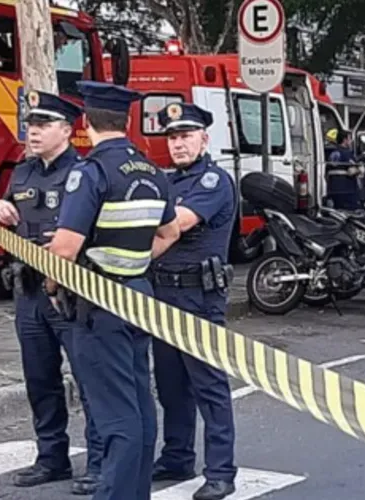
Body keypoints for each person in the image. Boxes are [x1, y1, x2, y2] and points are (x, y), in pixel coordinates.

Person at [44, 81, 181, 500]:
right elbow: (170, 231)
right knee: (139, 406)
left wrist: (52, 286)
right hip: (139, 297)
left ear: (86, 122)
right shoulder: (152, 171)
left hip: (100, 304)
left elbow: (64, 249)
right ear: (127, 121)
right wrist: (134, 262)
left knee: (114, 415)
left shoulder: (91, 172)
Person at [0, 90, 104, 495]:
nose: (33, 132)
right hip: (29, 291)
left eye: (42, 125)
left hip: (70, 291)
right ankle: (51, 457)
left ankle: (99, 461)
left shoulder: (85, 172)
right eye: (31, 125)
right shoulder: (23, 172)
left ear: (67, 130)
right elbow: (10, 210)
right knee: (40, 379)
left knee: (89, 380)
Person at [148, 103, 238, 500]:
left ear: (204, 139)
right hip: (163, 292)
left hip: (198, 296)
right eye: (172, 137)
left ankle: (220, 471)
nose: (178, 143)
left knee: (208, 387)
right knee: (170, 385)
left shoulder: (212, 182)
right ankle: (177, 456)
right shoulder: (169, 182)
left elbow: (176, 224)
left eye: (185, 135)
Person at [326, 129, 362, 210]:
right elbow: (351, 171)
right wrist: (360, 169)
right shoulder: (346, 153)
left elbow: (327, 174)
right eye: (350, 139)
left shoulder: (332, 153)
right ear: (345, 140)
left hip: (333, 190)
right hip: (346, 190)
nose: (351, 141)